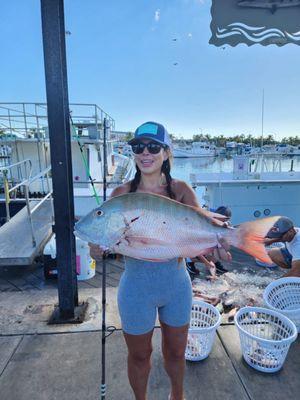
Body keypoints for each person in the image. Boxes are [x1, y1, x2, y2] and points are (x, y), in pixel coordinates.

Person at [89, 121, 230, 400]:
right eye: (138, 146)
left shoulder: (181, 191)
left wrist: (218, 246)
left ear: (166, 152)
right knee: (140, 355)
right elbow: (107, 244)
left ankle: (177, 396)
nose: (145, 152)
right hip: (136, 289)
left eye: (154, 146)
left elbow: (196, 235)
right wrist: (98, 250)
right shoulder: (121, 195)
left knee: (177, 353)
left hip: (176, 286)